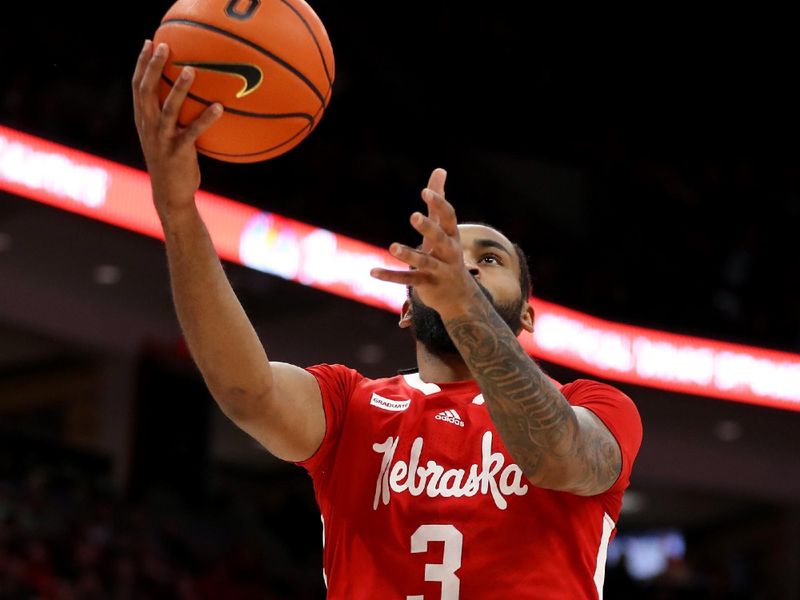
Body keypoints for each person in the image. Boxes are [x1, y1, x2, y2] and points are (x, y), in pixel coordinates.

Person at [132, 39, 643, 600]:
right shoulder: (351, 407)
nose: (463, 265)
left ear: (525, 312)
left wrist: (463, 304)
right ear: (405, 306)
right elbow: (245, 393)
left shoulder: (595, 406)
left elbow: (557, 458)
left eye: (488, 260)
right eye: (444, 255)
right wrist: (178, 212)